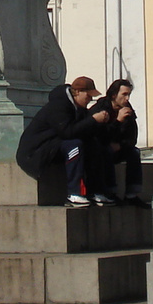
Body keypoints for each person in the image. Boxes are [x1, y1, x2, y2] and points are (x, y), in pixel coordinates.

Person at [16, 76, 114, 207]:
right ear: (77, 92)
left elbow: (86, 132)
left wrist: (102, 123)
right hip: (35, 152)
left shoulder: (79, 109)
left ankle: (96, 192)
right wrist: (92, 120)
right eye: (88, 95)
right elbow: (67, 132)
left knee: (94, 145)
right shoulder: (59, 106)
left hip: (55, 145)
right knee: (75, 146)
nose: (90, 99)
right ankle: (74, 193)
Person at [91, 79, 146, 206]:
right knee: (106, 151)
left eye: (129, 95)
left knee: (134, 153)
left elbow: (132, 137)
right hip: (101, 149)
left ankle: (132, 194)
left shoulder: (127, 109)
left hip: (120, 147)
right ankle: (110, 192)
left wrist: (121, 145)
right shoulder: (101, 108)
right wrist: (118, 121)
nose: (127, 98)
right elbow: (99, 135)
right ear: (114, 95)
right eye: (124, 94)